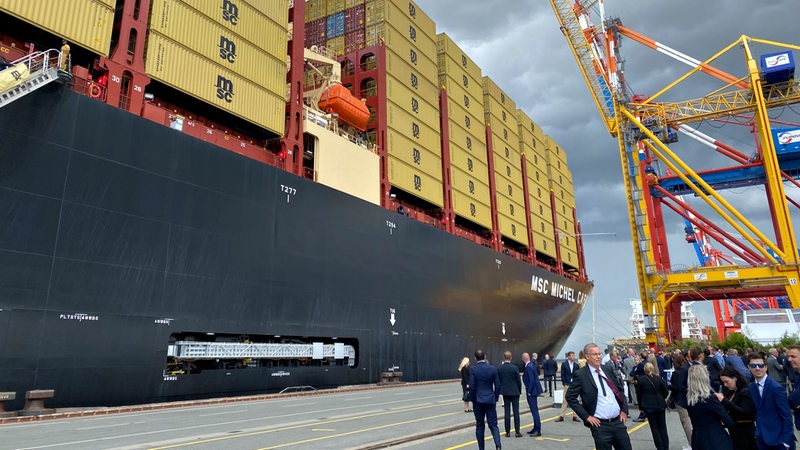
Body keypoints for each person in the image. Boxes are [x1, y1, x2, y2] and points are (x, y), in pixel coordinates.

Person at [566, 343, 632, 450]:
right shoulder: (581, 375)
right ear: (587, 356)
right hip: (600, 426)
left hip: (618, 422)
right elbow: (570, 397)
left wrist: (624, 410)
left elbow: (619, 390)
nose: (598, 357)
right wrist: (586, 416)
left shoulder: (607, 369)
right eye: (595, 354)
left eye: (599, 354)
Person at [747, 352, 794, 450]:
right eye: (753, 365)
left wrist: (786, 442)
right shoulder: (751, 387)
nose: (757, 368)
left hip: (779, 440)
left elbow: (787, 416)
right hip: (761, 438)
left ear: (765, 367)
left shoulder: (776, 388)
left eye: (760, 365)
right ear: (749, 367)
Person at [686, 364, 734, 450]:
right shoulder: (710, 399)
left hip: (698, 439)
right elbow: (728, 421)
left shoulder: (690, 400)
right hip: (716, 439)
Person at [715, 366, 757, 450]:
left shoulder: (745, 391)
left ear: (735, 378)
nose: (725, 385)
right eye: (723, 382)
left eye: (727, 381)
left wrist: (724, 401)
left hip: (745, 433)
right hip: (736, 432)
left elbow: (745, 413)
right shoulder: (731, 392)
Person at [469, 349, 502, 450]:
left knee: (480, 425)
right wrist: (495, 397)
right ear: (485, 356)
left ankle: (481, 448)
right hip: (490, 399)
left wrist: (472, 399)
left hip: (478, 400)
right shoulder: (493, 368)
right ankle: (498, 445)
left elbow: (472, 386)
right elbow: (497, 385)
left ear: (475, 358)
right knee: (493, 425)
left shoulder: (473, 369)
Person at [635, 362, 669, 449]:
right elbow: (665, 391)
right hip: (660, 405)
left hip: (649, 406)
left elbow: (639, 395)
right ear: (653, 369)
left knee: (654, 428)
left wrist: (641, 407)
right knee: (662, 426)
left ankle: (660, 446)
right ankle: (665, 446)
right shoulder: (659, 379)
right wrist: (662, 397)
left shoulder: (641, 380)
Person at [497, 351, 522, 438]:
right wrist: (519, 390)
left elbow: (498, 381)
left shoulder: (500, 368)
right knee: (516, 412)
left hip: (505, 393)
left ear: (504, 358)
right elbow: (518, 381)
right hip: (515, 392)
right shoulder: (514, 368)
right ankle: (517, 432)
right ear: (511, 358)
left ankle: (507, 432)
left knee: (507, 412)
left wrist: (500, 391)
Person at [555, 351, 581, 422]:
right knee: (565, 400)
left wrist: (577, 383)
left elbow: (578, 375)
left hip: (574, 385)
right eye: (572, 355)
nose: (573, 357)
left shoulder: (576, 365)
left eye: (574, 355)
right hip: (567, 384)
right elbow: (562, 374)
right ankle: (561, 416)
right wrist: (564, 383)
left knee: (575, 400)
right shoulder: (564, 364)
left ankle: (575, 416)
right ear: (568, 356)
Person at [522, 352, 543, 436]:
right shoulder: (530, 365)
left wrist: (529, 392)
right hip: (533, 390)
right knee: (534, 410)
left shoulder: (529, 367)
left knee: (534, 410)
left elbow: (531, 381)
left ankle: (537, 429)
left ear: (523, 359)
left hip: (532, 391)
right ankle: (535, 428)